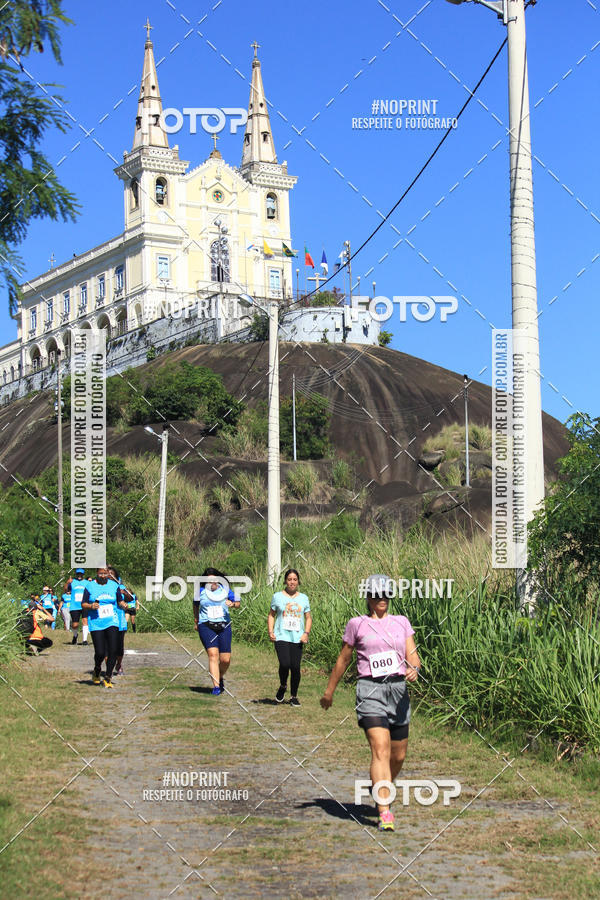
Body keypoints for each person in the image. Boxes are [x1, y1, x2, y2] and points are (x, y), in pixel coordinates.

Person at [320, 574, 421, 833]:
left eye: (386, 594)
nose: (382, 599)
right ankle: (385, 811)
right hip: (370, 691)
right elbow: (343, 660)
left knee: (398, 755)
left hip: (398, 692)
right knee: (381, 749)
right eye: (377, 595)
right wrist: (329, 692)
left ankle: (381, 784)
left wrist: (414, 669)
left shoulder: (401, 623)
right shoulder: (357, 624)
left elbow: (413, 656)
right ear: (368, 598)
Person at [267, 569, 311, 707]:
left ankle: (293, 696)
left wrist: (306, 633)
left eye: (295, 579)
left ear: (298, 581)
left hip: (297, 637)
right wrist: (270, 631)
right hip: (281, 635)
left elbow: (308, 617)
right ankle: (283, 685)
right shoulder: (277, 596)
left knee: (296, 667)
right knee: (285, 664)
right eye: (290, 579)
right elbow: (271, 615)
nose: (292, 582)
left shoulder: (303, 598)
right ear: (285, 581)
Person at [193, 567, 240, 695]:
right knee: (213, 654)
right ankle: (216, 687)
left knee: (225, 660)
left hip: (224, 625)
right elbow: (195, 605)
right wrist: (196, 620)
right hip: (206, 625)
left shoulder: (225, 590)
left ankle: (219, 676)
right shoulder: (200, 592)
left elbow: (238, 603)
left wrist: (232, 604)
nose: (212, 583)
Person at [81, 566, 128, 688]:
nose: (103, 576)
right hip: (96, 622)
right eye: (100, 573)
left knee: (113, 650)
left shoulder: (113, 585)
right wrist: (91, 606)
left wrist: (124, 604)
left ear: (108, 574)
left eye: (105, 573)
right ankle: (97, 670)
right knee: (100, 652)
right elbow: (83, 604)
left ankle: (108, 677)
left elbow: (119, 601)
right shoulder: (90, 586)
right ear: (97, 573)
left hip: (112, 621)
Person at [107, 566, 132, 676]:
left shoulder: (120, 586)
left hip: (120, 620)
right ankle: (109, 668)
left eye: (111, 574)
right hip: (107, 619)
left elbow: (131, 598)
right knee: (108, 646)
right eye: (107, 573)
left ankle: (119, 664)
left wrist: (124, 593)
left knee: (119, 647)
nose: (109, 575)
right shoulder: (102, 587)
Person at [67, 568, 89, 645]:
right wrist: (67, 583)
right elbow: (66, 590)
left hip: (84, 605)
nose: (79, 575)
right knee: (75, 624)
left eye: (81, 574)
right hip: (74, 606)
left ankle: (84, 640)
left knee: (85, 621)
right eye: (78, 574)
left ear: (83, 575)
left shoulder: (87, 583)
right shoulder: (72, 582)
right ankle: (75, 635)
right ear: (76, 574)